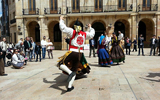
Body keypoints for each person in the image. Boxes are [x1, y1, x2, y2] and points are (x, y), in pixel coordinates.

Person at [57, 16, 95, 92]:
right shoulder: (84, 34)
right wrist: (90, 27)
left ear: (75, 26)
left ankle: (70, 72)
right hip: (80, 54)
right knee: (74, 70)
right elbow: (92, 34)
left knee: (60, 63)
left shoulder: (72, 32)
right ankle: (69, 87)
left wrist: (61, 20)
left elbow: (63, 28)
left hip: (72, 52)